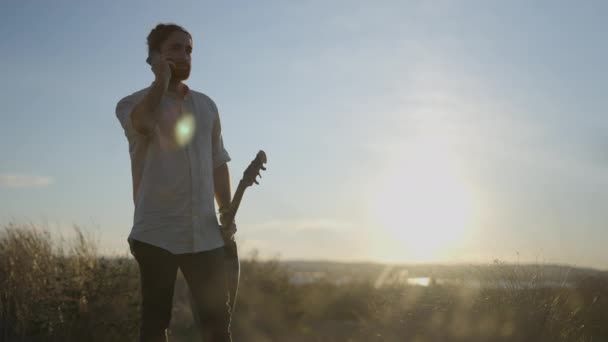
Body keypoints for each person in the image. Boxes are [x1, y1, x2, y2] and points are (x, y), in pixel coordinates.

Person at [115, 23, 236, 342]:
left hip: (206, 236)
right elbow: (142, 124)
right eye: (175, 49)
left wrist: (226, 213)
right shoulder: (132, 104)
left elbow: (218, 162)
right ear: (154, 57)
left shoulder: (207, 106)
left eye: (189, 49)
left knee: (217, 326)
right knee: (155, 324)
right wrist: (161, 81)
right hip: (156, 233)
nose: (184, 56)